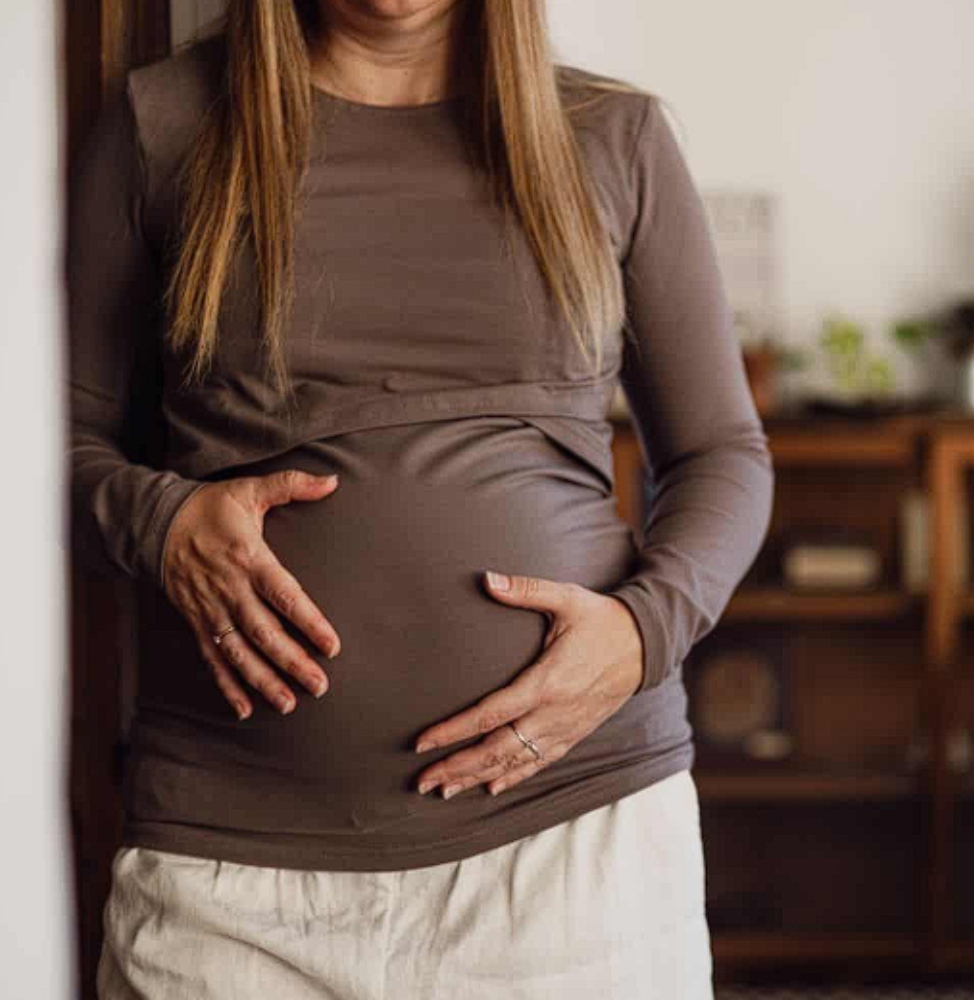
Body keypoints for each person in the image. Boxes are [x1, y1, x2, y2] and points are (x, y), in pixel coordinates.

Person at [65, 1, 774, 997]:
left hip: (574, 853)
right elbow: (52, 444)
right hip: (232, 879)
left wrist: (643, 633)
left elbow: (721, 453)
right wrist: (162, 521)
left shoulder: (615, 138)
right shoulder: (162, 123)